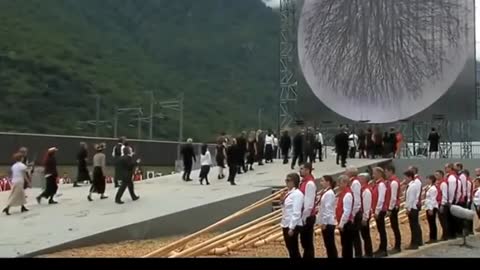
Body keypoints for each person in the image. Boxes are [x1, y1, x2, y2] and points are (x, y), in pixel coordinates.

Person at [280, 173, 304, 259]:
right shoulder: (289, 193)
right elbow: (286, 208)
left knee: (293, 249)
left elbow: (296, 212)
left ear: (294, 182)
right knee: (290, 248)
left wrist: (292, 227)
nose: (286, 182)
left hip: (293, 224)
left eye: (288, 180)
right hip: (286, 223)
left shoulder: (297, 194)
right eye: (286, 180)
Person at [298, 163, 317, 259]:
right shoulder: (304, 182)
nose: (300, 170)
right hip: (305, 215)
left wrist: (304, 218)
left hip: (307, 216)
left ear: (307, 170)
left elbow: (309, 204)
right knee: (305, 242)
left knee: (307, 242)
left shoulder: (309, 184)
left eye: (302, 169)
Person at [318, 175, 337, 258]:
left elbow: (328, 209)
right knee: (328, 244)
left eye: (322, 181)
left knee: (330, 244)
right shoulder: (325, 192)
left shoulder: (329, 193)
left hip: (328, 222)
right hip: (326, 221)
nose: (321, 183)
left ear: (328, 182)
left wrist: (324, 222)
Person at [345, 166, 362, 258]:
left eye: (346, 171)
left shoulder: (355, 183)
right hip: (353, 212)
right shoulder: (352, 182)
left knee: (355, 236)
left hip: (355, 212)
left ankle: (358, 254)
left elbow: (356, 200)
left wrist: (353, 214)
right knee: (353, 236)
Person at [336, 175, 354, 258]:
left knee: (347, 245)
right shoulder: (343, 193)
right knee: (345, 244)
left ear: (345, 183)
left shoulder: (347, 195)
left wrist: (341, 224)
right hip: (343, 222)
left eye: (340, 183)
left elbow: (346, 211)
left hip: (346, 224)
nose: (338, 185)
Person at [371, 167, 388, 257]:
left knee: (382, 230)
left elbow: (381, 199)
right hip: (378, 210)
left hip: (380, 210)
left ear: (379, 174)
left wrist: (377, 211)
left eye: (374, 173)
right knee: (380, 230)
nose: (373, 175)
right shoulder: (377, 184)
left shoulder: (381, 184)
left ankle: (384, 249)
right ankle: (381, 247)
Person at [404, 170, 423, 249]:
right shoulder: (411, 185)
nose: (404, 179)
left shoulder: (413, 186)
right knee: (413, 226)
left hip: (412, 208)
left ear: (409, 177)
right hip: (412, 207)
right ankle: (415, 242)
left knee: (414, 226)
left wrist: (408, 208)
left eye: (406, 177)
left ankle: (414, 243)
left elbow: (411, 198)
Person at [385, 165, 401, 253]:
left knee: (395, 227)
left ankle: (397, 246)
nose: (385, 174)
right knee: (394, 226)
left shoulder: (394, 182)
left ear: (391, 171)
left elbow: (393, 197)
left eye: (386, 172)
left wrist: (390, 209)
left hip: (393, 207)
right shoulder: (390, 181)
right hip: (392, 206)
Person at [358, 173, 373, 258]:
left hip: (364, 215)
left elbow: (367, 205)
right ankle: (367, 252)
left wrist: (365, 218)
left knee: (366, 235)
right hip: (363, 215)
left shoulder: (366, 191)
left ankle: (369, 253)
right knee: (364, 235)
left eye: (360, 178)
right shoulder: (363, 189)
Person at [445, 163, 459, 239]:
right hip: (452, 199)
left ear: (450, 168)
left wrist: (450, 201)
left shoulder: (451, 177)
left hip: (451, 200)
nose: (445, 169)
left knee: (450, 218)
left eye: (446, 167)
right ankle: (452, 233)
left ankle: (452, 234)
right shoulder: (451, 176)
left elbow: (451, 190)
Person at [425, 175, 439, 244]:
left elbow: (432, 199)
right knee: (430, 223)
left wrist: (431, 209)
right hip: (428, 206)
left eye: (427, 179)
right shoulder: (429, 187)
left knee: (432, 223)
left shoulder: (433, 189)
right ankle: (432, 237)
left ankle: (433, 237)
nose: (426, 180)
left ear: (431, 180)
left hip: (432, 207)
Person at [436, 169, 449, 241]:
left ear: (441, 175)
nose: (436, 176)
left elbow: (444, 195)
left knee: (443, 221)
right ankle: (444, 234)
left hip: (442, 204)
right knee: (441, 220)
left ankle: (445, 235)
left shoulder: (443, 184)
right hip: (438, 203)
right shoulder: (438, 183)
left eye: (437, 175)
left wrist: (442, 205)